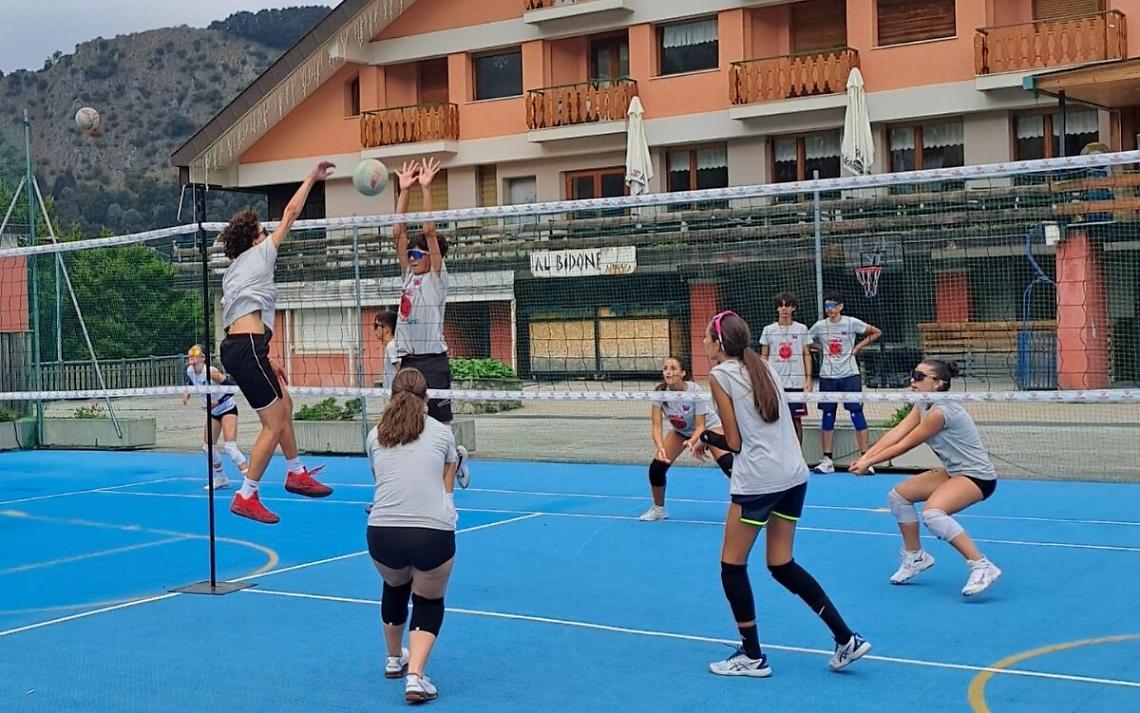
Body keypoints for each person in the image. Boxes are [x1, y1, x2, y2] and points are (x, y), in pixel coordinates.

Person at [702, 310, 869, 677]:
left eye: (705, 337)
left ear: (717, 343)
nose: (703, 343)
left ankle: (752, 656)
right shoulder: (763, 366)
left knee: (731, 566)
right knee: (781, 564)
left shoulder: (719, 375)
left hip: (760, 479)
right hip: (793, 474)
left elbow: (733, 441)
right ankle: (846, 638)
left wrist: (705, 438)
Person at [217, 160, 335, 524]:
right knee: (274, 423)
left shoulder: (234, 271)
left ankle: (296, 471)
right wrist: (312, 178)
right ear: (255, 239)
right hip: (247, 346)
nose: (268, 233)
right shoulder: (262, 254)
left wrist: (267, 359)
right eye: (262, 231)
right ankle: (246, 493)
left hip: (242, 347)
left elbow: (246, 319)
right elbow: (291, 212)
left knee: (285, 402)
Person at [849, 359, 1002, 597]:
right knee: (899, 496)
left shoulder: (940, 412)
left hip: (978, 477)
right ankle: (915, 556)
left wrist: (869, 463)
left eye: (920, 377)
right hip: (954, 472)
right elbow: (897, 432)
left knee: (933, 513)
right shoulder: (922, 404)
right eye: (913, 374)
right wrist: (865, 456)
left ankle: (982, 565)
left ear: (938, 384)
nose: (913, 380)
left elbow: (906, 443)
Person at [366, 368, 458, 703]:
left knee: (395, 584)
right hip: (430, 533)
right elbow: (446, 485)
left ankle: (394, 659)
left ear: (391, 396)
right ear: (426, 398)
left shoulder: (376, 434)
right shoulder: (442, 433)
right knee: (428, 599)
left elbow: (382, 479)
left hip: (381, 533)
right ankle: (416, 677)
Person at [392, 158, 469, 489]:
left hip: (433, 361)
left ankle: (452, 472)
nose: (412, 256)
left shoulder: (438, 277)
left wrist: (426, 188)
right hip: (407, 362)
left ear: (431, 256)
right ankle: (403, 485)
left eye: (418, 254)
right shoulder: (408, 273)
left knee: (441, 423)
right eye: (411, 254)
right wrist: (403, 190)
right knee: (400, 422)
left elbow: (427, 231)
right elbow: (400, 231)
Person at [640, 356, 733, 522]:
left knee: (730, 466)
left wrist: (693, 442)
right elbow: (656, 426)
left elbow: (700, 426)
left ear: (683, 373)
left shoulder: (694, 390)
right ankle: (659, 509)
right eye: (665, 368)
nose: (668, 372)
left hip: (709, 427)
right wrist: (660, 447)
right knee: (656, 468)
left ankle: (753, 508)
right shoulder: (660, 393)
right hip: (681, 431)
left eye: (673, 368)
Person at [807, 293, 881, 473]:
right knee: (828, 415)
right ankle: (827, 460)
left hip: (850, 374)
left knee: (857, 413)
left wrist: (857, 348)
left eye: (833, 306)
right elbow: (806, 341)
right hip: (828, 376)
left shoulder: (851, 322)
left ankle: (866, 459)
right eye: (827, 306)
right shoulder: (820, 325)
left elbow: (876, 332)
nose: (830, 309)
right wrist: (821, 349)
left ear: (840, 306)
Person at [182, 344, 247, 490]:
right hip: (213, 412)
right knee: (207, 447)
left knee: (230, 447)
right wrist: (188, 392)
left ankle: (249, 479)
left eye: (195, 352)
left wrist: (216, 403)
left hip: (227, 408)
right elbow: (192, 382)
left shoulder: (211, 372)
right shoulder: (190, 371)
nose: (191, 355)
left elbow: (232, 388)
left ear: (203, 357)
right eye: (190, 352)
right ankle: (221, 478)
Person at [758, 293, 812, 444]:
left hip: (796, 382)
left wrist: (808, 378)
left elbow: (806, 354)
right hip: (775, 383)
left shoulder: (801, 329)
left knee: (796, 421)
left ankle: (798, 457)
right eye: (781, 306)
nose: (784, 309)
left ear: (793, 308)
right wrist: (763, 380)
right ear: (777, 309)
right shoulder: (768, 330)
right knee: (774, 420)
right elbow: (764, 356)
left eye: (787, 305)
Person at [375, 309, 400, 390]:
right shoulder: (392, 345)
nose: (374, 329)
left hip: (396, 394)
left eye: (376, 326)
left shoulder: (392, 346)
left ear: (387, 329)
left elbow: (401, 371)